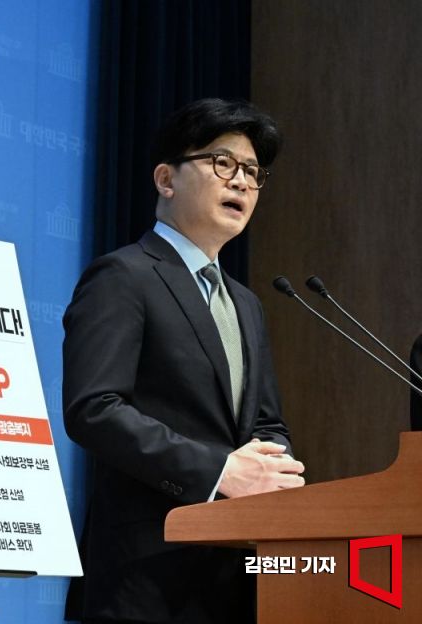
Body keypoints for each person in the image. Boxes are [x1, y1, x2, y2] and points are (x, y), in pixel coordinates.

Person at [61, 98, 306, 624]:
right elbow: (94, 409)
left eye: (253, 172)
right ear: (166, 179)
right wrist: (220, 471)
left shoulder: (246, 303)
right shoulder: (123, 276)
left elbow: (266, 422)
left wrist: (272, 469)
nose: (241, 182)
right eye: (222, 162)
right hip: (147, 574)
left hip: (236, 573)